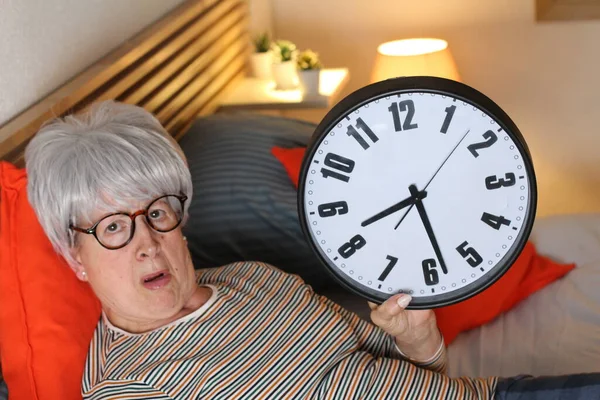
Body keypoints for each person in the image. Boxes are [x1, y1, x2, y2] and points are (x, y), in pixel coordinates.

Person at [24, 100, 599, 399]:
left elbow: (413, 377)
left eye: (156, 213)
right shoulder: (130, 388)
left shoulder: (255, 277)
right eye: (113, 228)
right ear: (75, 257)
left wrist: (421, 343)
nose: (147, 242)